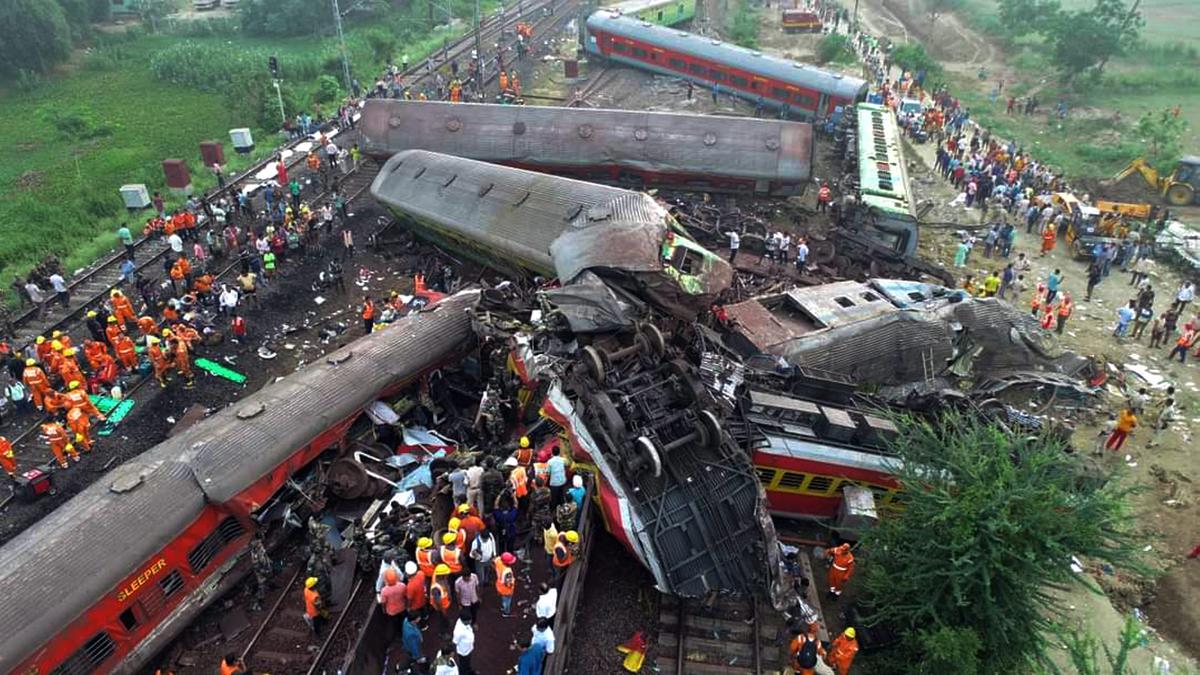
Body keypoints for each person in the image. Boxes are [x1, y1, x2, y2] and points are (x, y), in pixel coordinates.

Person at [378, 567, 408, 632]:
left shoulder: (384, 591)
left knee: (395, 622)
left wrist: (384, 610)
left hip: (391, 611)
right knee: (403, 619)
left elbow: (383, 602)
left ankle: (398, 631)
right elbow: (405, 596)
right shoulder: (402, 586)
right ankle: (404, 629)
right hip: (402, 607)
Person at [494, 551, 517, 616]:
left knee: (503, 598)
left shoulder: (498, 561)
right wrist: (511, 586)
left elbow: (495, 560)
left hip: (499, 584)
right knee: (507, 600)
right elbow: (508, 583)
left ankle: (503, 607)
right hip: (506, 589)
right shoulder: (507, 571)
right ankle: (506, 612)